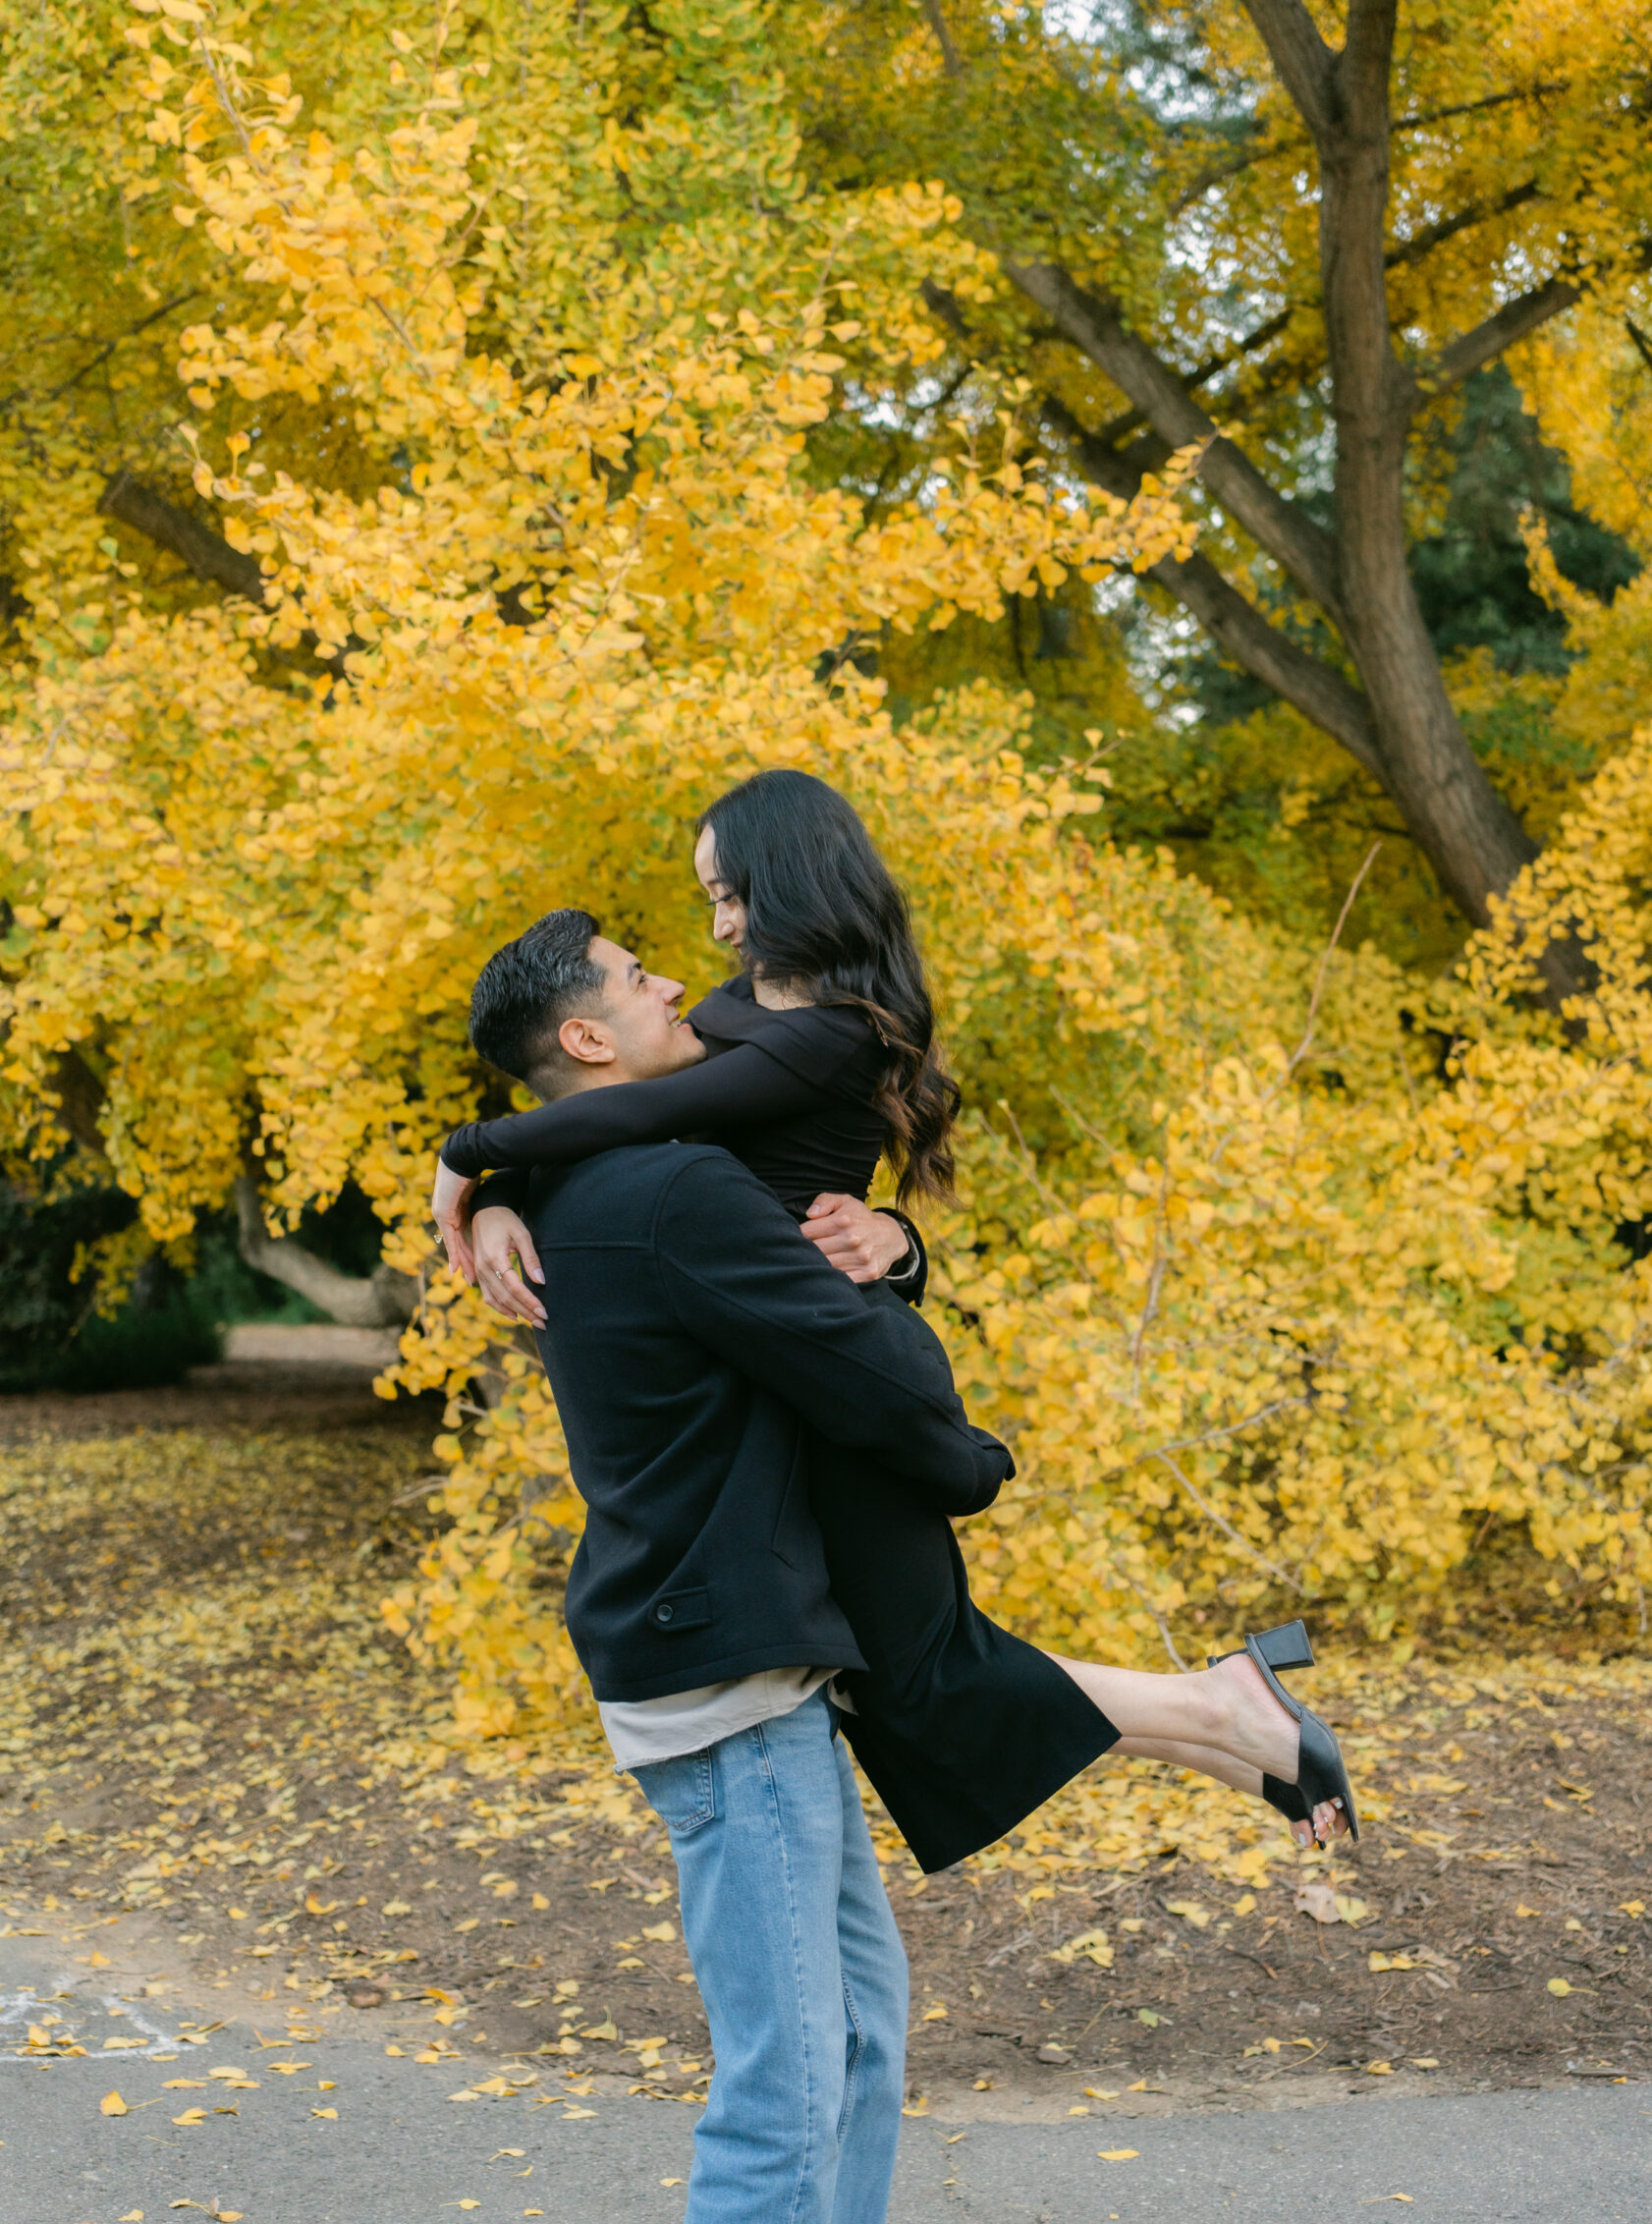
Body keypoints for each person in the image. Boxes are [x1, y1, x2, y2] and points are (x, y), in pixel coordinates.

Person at [437, 773, 1354, 1867]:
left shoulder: (828, 1032)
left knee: (923, 1679)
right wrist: (498, 1198)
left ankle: (1228, 1714)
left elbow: (644, 1112)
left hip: (842, 1373)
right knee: (906, 1686)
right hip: (799, 1377)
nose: (714, 931)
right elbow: (611, 1119)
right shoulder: (738, 1011)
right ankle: (1232, 1731)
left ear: (789, 879)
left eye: (728, 896)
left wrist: (468, 1152)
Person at [442, 905, 1012, 2224]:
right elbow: (864, 1375)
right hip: (726, 1684)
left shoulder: (598, 1175)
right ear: (586, 1037)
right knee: (786, 2085)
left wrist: (485, 1171)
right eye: (642, 980)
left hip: (742, 1663)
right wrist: (971, 1456)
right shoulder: (671, 1187)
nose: (682, 978)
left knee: (859, 2041)